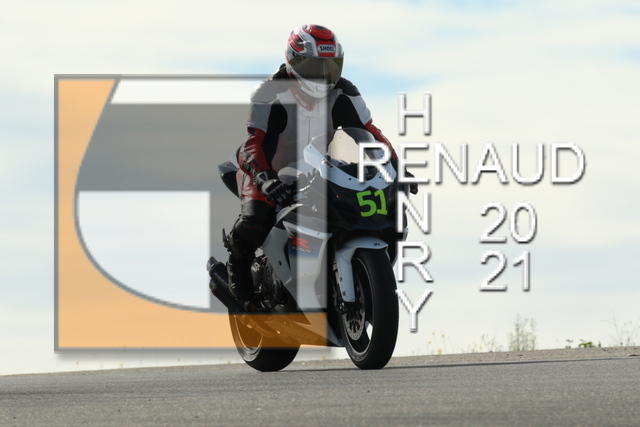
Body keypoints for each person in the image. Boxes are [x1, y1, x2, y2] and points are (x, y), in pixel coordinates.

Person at [225, 24, 411, 301]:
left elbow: (371, 135)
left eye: (330, 67)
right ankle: (236, 270)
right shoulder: (268, 92)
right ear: (293, 62)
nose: (323, 76)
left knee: (371, 209)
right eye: (314, 67)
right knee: (255, 220)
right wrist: (265, 179)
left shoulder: (345, 91)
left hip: (321, 168)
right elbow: (253, 143)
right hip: (269, 170)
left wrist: (395, 167)